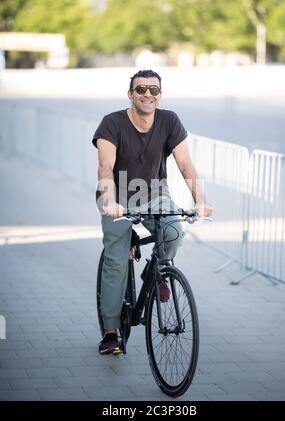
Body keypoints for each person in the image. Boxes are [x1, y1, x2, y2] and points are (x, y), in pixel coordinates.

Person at [92, 69, 213, 354]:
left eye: (154, 90)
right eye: (141, 89)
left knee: (173, 232)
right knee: (117, 261)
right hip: (118, 195)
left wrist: (200, 200)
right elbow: (105, 168)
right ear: (130, 94)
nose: (148, 94)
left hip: (156, 195)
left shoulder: (169, 120)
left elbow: (185, 164)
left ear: (160, 95)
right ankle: (110, 331)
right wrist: (110, 202)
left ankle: (155, 271)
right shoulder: (112, 123)